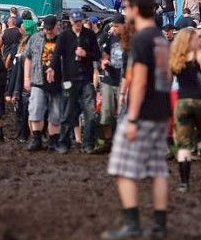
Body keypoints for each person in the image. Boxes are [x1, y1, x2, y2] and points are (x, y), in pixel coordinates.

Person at [103, 0, 171, 240]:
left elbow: (140, 81)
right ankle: (159, 225)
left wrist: (131, 117)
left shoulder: (142, 39)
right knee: (157, 170)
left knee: (122, 168)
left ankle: (132, 225)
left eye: (125, 7)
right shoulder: (161, 37)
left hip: (142, 112)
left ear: (133, 8)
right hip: (161, 109)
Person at [170, 28, 201, 192]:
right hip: (200, 101)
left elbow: (166, 81)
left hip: (182, 101)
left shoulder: (176, 57)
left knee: (184, 145)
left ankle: (184, 183)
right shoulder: (199, 55)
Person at [50, 10, 101, 154]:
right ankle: (64, 142)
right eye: (75, 22)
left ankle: (88, 143)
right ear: (71, 21)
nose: (78, 24)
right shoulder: (64, 36)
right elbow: (56, 54)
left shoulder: (89, 35)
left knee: (90, 113)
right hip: (69, 79)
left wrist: (87, 54)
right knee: (68, 112)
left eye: (80, 22)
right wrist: (52, 69)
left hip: (85, 79)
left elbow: (97, 54)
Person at [23, 15, 61, 152]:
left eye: (51, 29)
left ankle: (53, 141)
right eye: (46, 29)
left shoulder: (62, 39)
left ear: (57, 26)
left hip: (57, 82)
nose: (48, 32)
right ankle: (36, 139)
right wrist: (26, 78)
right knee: (35, 109)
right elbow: (27, 58)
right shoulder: (35, 38)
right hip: (38, 80)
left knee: (55, 113)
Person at [97, 14, 125, 154]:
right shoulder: (111, 38)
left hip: (123, 80)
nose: (114, 28)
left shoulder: (131, 40)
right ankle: (107, 141)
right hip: (109, 78)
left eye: (117, 26)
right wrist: (104, 61)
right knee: (106, 111)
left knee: (123, 113)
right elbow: (106, 54)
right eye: (113, 25)